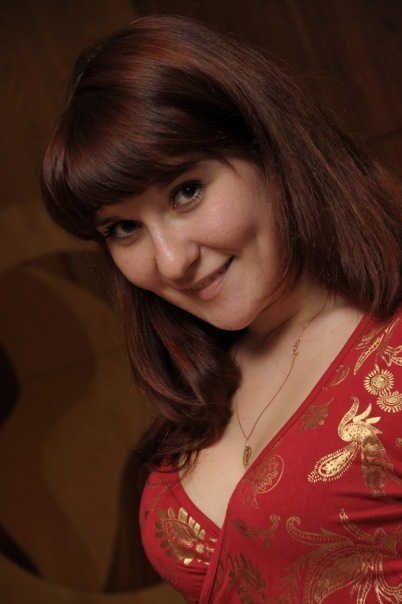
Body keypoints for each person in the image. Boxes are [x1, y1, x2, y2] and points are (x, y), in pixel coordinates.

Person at [41, 14, 402, 603]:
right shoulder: (207, 383)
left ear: (269, 149)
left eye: (186, 191)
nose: (171, 261)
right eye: (124, 228)